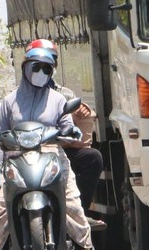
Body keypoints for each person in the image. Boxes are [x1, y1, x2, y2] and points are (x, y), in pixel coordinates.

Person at [0, 45, 104, 250]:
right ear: (25, 68)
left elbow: (67, 124)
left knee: (72, 203)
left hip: (51, 154)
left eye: (46, 69)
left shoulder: (59, 99)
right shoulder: (9, 102)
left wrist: (71, 130)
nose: (40, 72)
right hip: (16, 157)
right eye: (35, 67)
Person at [26, 38, 104, 223]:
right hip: (27, 153)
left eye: (48, 64)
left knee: (92, 157)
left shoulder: (64, 94)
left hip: (58, 151)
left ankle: (79, 215)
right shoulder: (15, 97)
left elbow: (72, 121)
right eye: (37, 65)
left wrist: (80, 115)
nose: (42, 70)